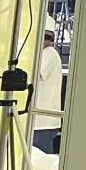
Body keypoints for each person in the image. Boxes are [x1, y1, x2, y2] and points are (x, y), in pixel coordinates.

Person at [33, 25, 63, 154]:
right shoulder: (49, 54)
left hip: (42, 123)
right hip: (42, 121)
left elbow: (34, 74)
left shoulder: (48, 53)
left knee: (39, 160)